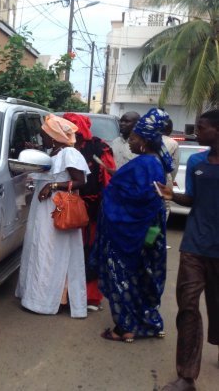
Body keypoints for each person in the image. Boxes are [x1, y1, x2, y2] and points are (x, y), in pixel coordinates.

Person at [91, 108, 173, 342]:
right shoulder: (153, 162)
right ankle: (148, 323)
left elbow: (137, 198)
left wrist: (113, 190)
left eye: (135, 139)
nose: (131, 142)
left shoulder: (146, 163)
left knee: (124, 277)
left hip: (131, 234)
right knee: (143, 277)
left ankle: (125, 327)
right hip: (148, 232)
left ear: (145, 141)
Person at [157, 109, 219, 391]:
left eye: (202, 128)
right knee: (188, 307)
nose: (197, 132)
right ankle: (186, 376)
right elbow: (192, 198)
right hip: (194, 245)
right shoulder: (196, 161)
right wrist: (170, 194)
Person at [16, 114, 90, 318]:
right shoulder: (55, 152)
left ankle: (48, 300)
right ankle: (37, 296)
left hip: (57, 208)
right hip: (44, 209)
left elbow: (80, 181)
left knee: (53, 251)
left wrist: (53, 185)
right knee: (40, 248)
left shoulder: (69, 153)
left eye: (44, 136)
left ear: (55, 136)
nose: (43, 140)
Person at [63, 112, 116, 312]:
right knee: (65, 250)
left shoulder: (99, 147)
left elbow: (108, 179)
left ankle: (89, 296)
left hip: (92, 208)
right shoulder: (61, 146)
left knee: (89, 251)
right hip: (65, 206)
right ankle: (64, 294)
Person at [162, 118, 181, 220]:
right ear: (170, 130)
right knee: (165, 205)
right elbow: (175, 165)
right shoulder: (173, 143)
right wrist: (171, 179)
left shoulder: (148, 139)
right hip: (165, 178)